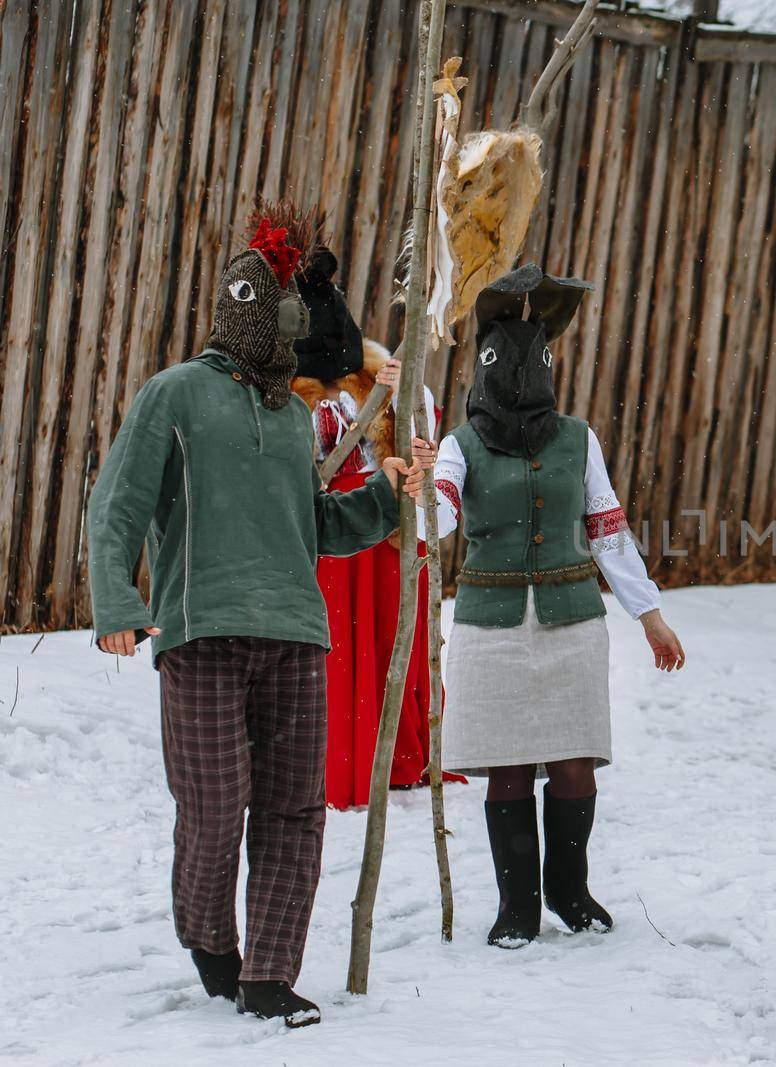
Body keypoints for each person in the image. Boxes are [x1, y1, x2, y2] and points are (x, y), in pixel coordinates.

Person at [87, 207, 434, 1028]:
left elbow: (312, 524)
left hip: (295, 633)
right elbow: (117, 506)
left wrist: (389, 496)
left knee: (293, 811)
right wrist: (117, 604)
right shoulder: (174, 394)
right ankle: (210, 937)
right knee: (214, 805)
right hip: (200, 629)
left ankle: (270, 973)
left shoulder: (288, 419)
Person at [430, 263, 687, 949]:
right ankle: (519, 905)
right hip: (491, 627)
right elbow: (438, 520)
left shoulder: (577, 438)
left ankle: (569, 889)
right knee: (508, 763)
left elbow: (606, 528)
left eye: (533, 359)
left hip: (572, 621)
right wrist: (418, 480)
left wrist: (649, 613)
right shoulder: (460, 444)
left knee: (574, 759)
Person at [292, 306, 447, 810]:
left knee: (390, 638)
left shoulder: (380, 376)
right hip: (331, 533)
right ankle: (337, 762)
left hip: (387, 527)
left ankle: (396, 758)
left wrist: (408, 390)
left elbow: (423, 437)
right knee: (335, 648)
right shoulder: (287, 392)